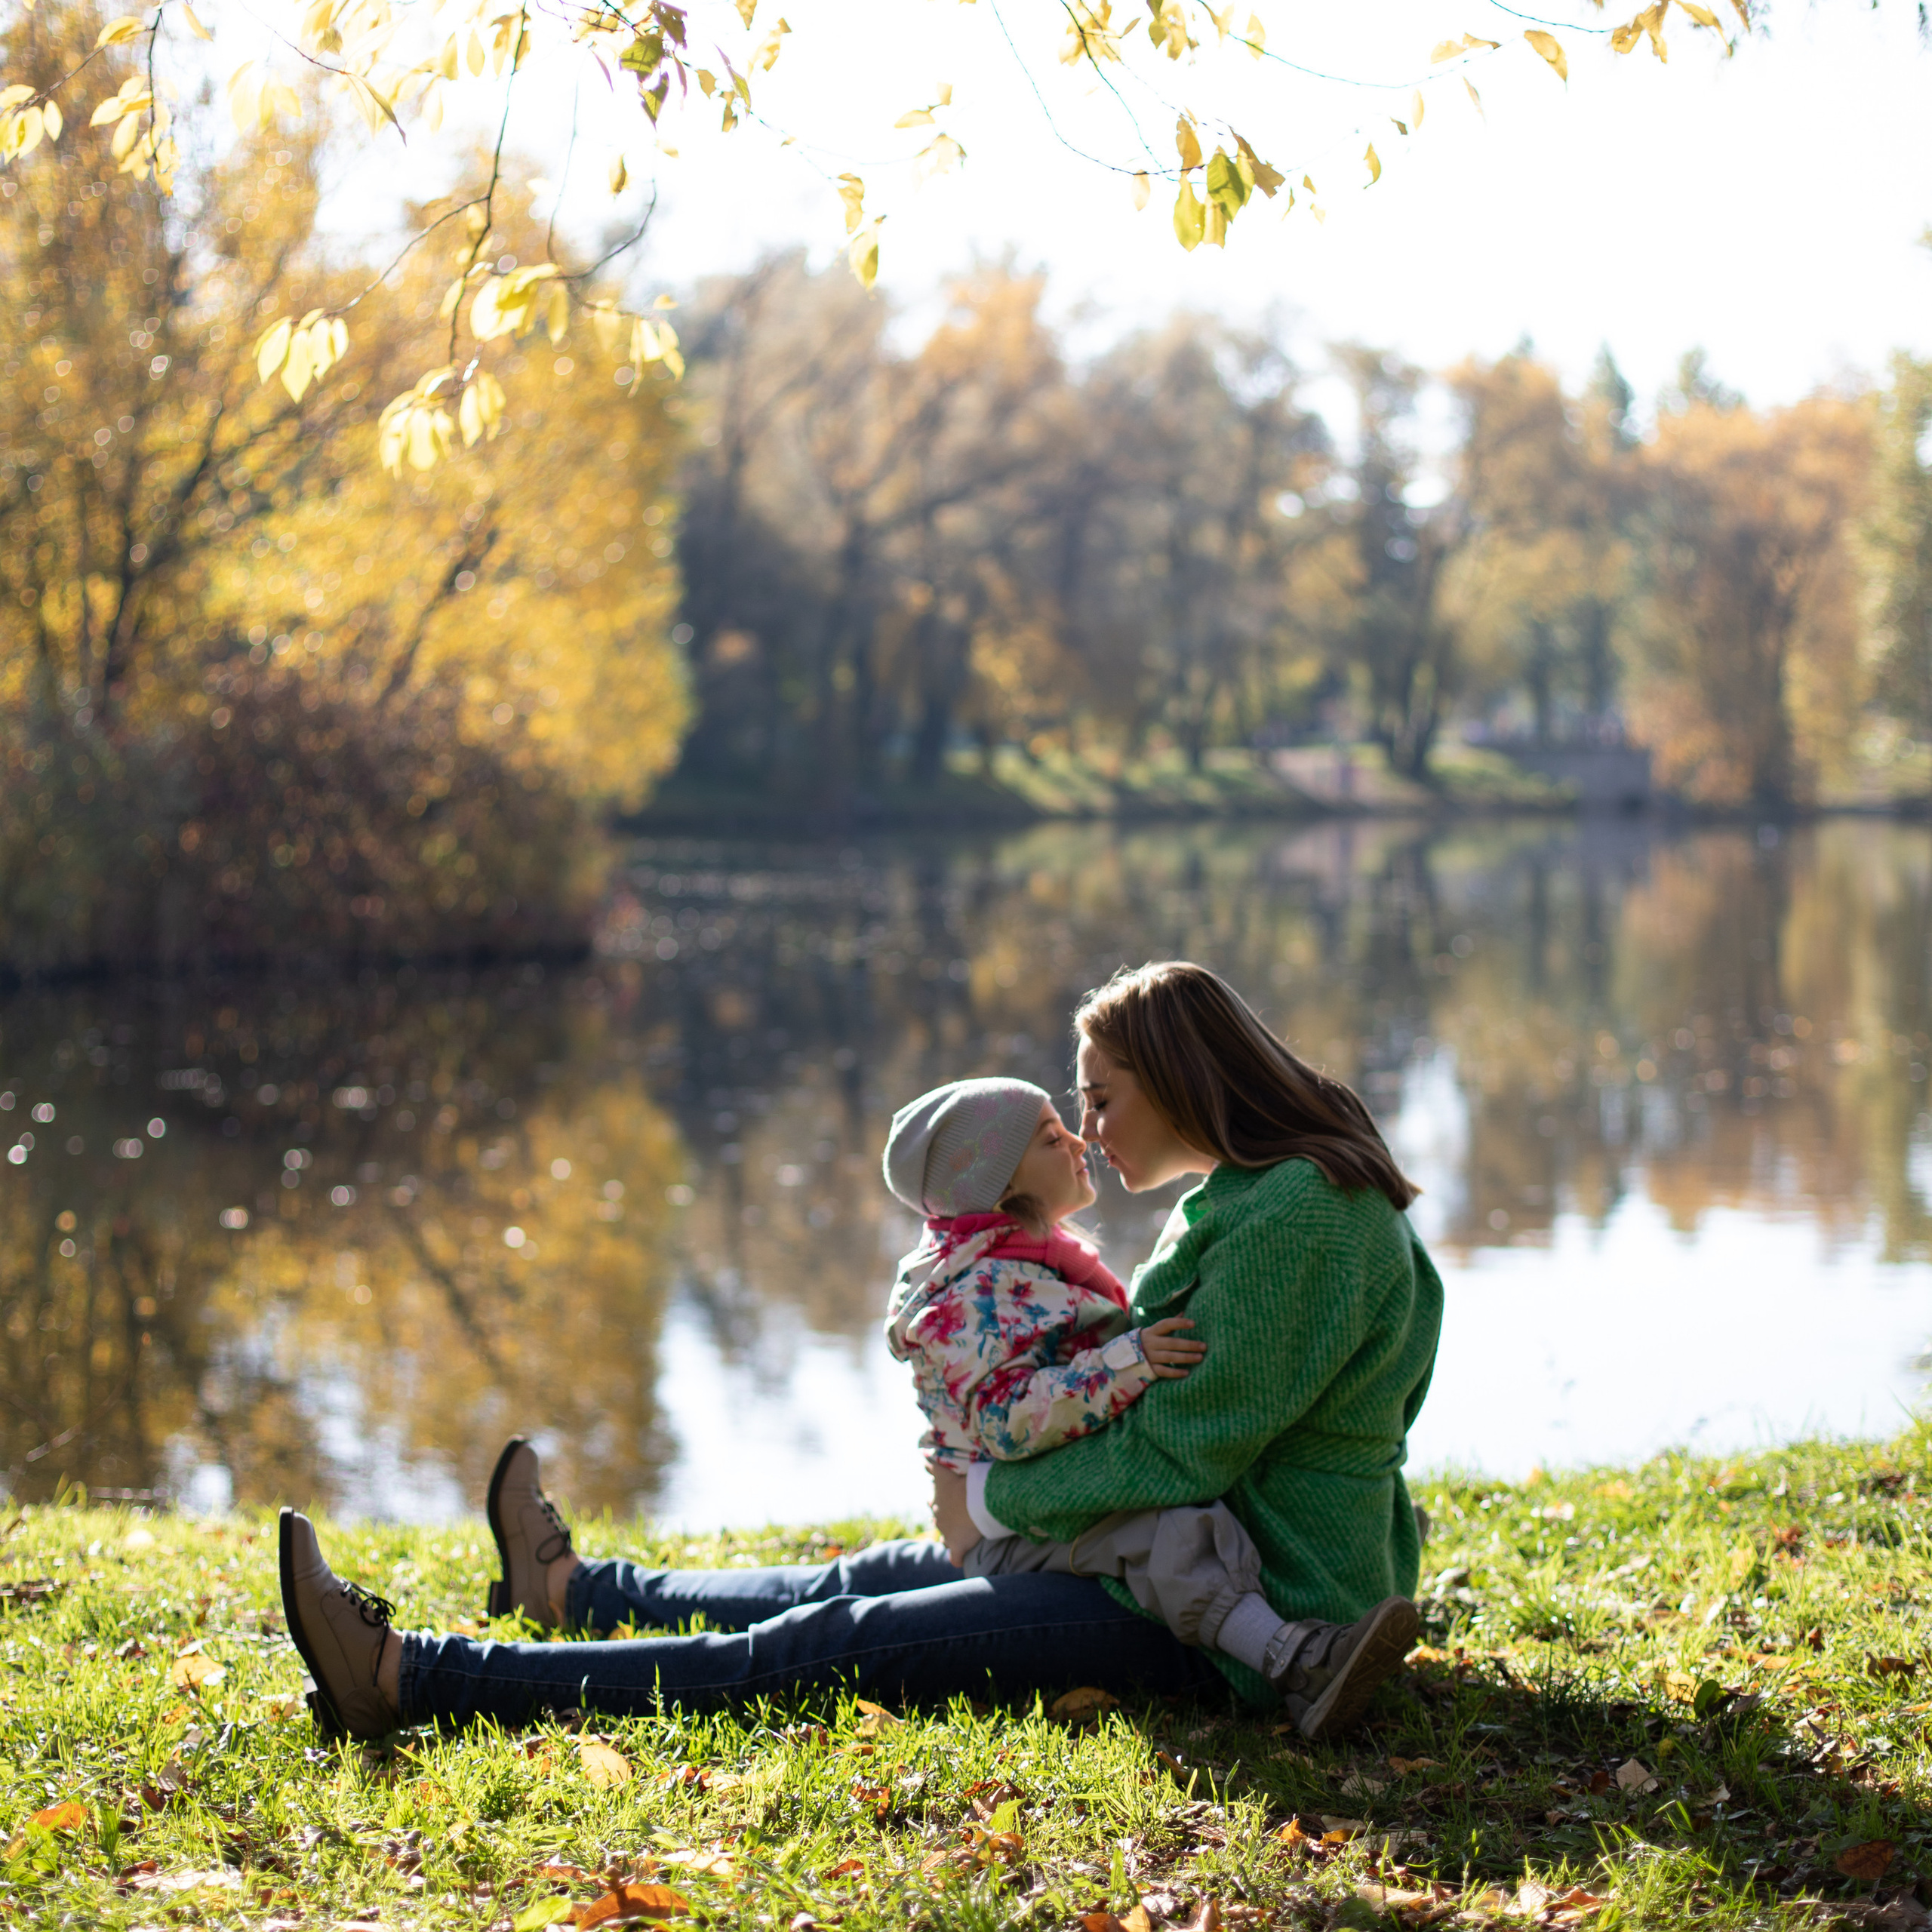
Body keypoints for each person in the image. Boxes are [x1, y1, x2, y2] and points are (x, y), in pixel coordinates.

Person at [278, 960, 1441, 1743]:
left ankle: (411, 1677)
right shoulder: (1250, 1203)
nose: (1088, 1130)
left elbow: (1187, 1456)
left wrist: (993, 1494)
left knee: (840, 1642)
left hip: (1252, 1602)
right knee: (866, 1580)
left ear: (1184, 1079)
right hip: (1172, 1561)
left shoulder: (1303, 1222)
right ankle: (575, 1592)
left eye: (1101, 1097)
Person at [881, 1075, 1329, 1687]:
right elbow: (1008, 1420)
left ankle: (1317, 1577)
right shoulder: (973, 1296)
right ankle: (1289, 1660)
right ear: (1001, 1180)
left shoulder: (1025, 1261)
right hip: (1010, 1526)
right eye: (1049, 1138)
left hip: (1044, 1495)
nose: (1079, 1138)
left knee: (1186, 1505)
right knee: (1164, 1537)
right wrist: (1126, 1361)